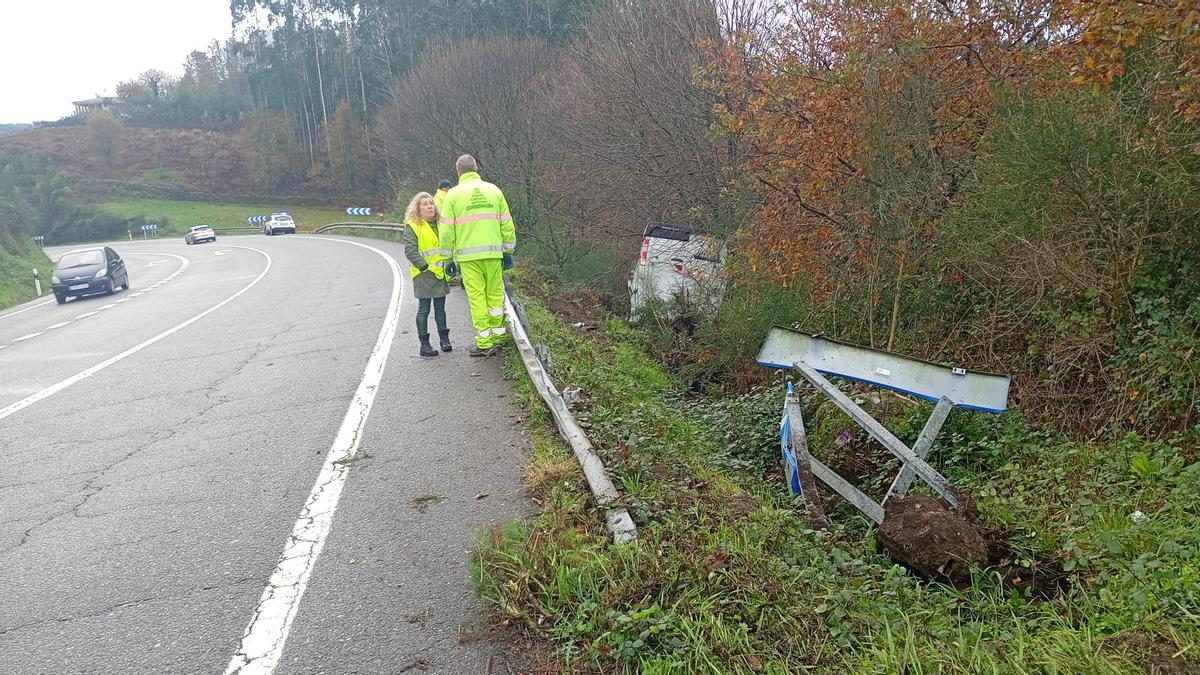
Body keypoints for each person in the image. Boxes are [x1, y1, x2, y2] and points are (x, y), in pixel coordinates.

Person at [438, 154, 516, 356]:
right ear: (476, 169)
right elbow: (506, 223)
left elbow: (446, 232)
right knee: (495, 295)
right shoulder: (494, 191)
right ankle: (499, 336)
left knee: (478, 298)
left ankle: (484, 342)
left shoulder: (452, 196)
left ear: (458, 172)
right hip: (493, 254)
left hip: (468, 258)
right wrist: (508, 250)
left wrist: (447, 259)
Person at [400, 192, 453, 357]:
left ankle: (444, 340)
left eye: (431, 203)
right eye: (425, 204)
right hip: (424, 273)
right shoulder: (413, 225)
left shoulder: (440, 223)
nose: (430, 206)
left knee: (440, 308)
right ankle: (424, 345)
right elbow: (410, 250)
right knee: (424, 309)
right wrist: (425, 268)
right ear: (417, 209)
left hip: (439, 272)